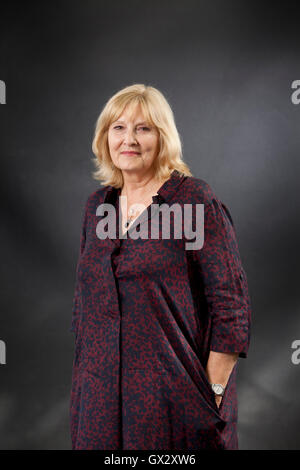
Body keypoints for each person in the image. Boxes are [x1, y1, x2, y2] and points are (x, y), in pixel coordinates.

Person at [69, 83, 251, 450]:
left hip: (174, 405)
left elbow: (231, 308)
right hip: (99, 407)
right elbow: (83, 308)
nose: (128, 139)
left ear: (163, 137)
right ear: (105, 137)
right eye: (118, 128)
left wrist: (211, 393)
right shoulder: (97, 207)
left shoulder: (193, 201)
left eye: (143, 128)